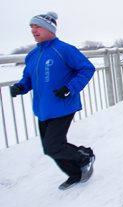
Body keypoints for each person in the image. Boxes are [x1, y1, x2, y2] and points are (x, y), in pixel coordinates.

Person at [9, 11, 96, 190]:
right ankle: (75, 174)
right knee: (50, 148)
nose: (33, 30)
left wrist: (70, 88)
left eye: (37, 26)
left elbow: (87, 68)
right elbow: (28, 79)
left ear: (50, 29)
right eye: (31, 27)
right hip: (43, 109)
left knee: (53, 145)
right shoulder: (32, 56)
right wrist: (20, 87)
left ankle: (85, 156)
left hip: (63, 105)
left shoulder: (64, 49)